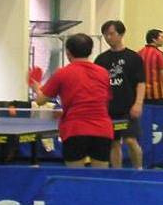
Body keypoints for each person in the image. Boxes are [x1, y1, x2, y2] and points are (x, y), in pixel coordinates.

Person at [31, 33, 113, 168]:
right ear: (90, 51)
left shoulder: (62, 73)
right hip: (102, 130)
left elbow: (40, 100)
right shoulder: (103, 73)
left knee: (75, 175)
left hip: (75, 130)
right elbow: (105, 100)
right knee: (100, 176)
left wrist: (36, 87)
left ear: (68, 52)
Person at [95, 20, 146, 169]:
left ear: (121, 34)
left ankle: (139, 170)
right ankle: (116, 172)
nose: (108, 37)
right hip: (108, 109)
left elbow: (141, 82)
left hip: (128, 108)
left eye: (111, 34)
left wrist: (138, 103)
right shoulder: (101, 59)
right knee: (113, 142)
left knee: (130, 140)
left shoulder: (134, 58)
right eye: (105, 34)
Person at [139, 29, 163, 106]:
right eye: (161, 37)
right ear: (154, 39)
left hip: (142, 95)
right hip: (157, 95)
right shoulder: (158, 54)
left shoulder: (139, 53)